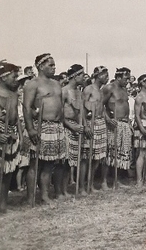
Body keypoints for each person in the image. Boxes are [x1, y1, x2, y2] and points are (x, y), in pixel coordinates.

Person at [23, 53, 67, 204]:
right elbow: (27, 107)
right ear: (40, 66)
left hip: (55, 127)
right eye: (51, 65)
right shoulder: (32, 84)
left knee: (49, 164)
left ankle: (44, 195)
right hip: (40, 126)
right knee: (35, 164)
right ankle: (30, 198)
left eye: (54, 65)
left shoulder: (56, 84)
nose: (54, 68)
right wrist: (30, 129)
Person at [0, 62, 22, 213]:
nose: (17, 79)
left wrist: (20, 136)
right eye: (14, 76)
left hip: (12, 133)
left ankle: (3, 204)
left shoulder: (14, 95)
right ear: (2, 78)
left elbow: (16, 119)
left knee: (9, 171)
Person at [62, 64, 92, 195]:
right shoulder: (63, 91)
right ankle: (62, 190)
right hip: (67, 127)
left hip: (80, 127)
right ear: (74, 76)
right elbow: (59, 114)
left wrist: (85, 126)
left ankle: (81, 187)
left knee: (83, 158)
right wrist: (72, 126)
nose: (84, 77)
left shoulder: (80, 93)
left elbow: (82, 113)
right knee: (67, 161)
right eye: (81, 75)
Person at [102, 67, 133, 187]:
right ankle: (104, 181)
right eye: (126, 78)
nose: (127, 81)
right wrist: (108, 119)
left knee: (121, 154)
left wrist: (129, 121)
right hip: (113, 124)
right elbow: (101, 104)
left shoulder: (124, 89)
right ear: (118, 77)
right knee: (109, 153)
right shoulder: (109, 88)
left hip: (124, 124)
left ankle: (117, 180)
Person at [82, 66, 109, 191]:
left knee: (99, 156)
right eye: (104, 75)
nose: (107, 77)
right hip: (90, 123)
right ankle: (86, 185)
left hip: (101, 122)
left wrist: (108, 120)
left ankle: (91, 183)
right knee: (89, 156)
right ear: (98, 75)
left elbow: (101, 109)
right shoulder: (89, 89)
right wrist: (85, 125)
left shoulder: (101, 90)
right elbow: (82, 108)